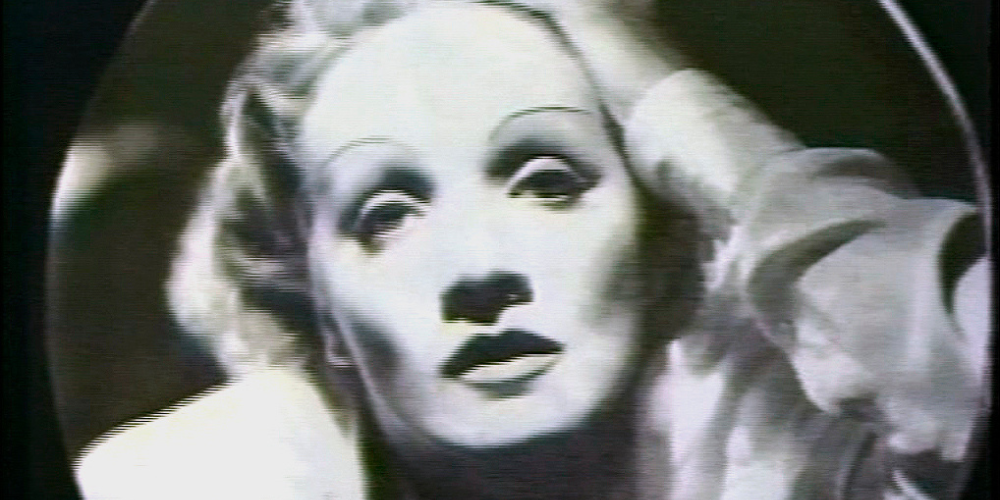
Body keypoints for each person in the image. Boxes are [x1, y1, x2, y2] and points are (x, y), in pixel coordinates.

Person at [74, 0, 990, 498]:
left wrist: (663, 92)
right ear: (322, 314)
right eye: (385, 217)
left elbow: (962, 382)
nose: (479, 272)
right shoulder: (202, 479)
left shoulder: (791, 448)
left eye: (548, 183)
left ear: (667, 247)